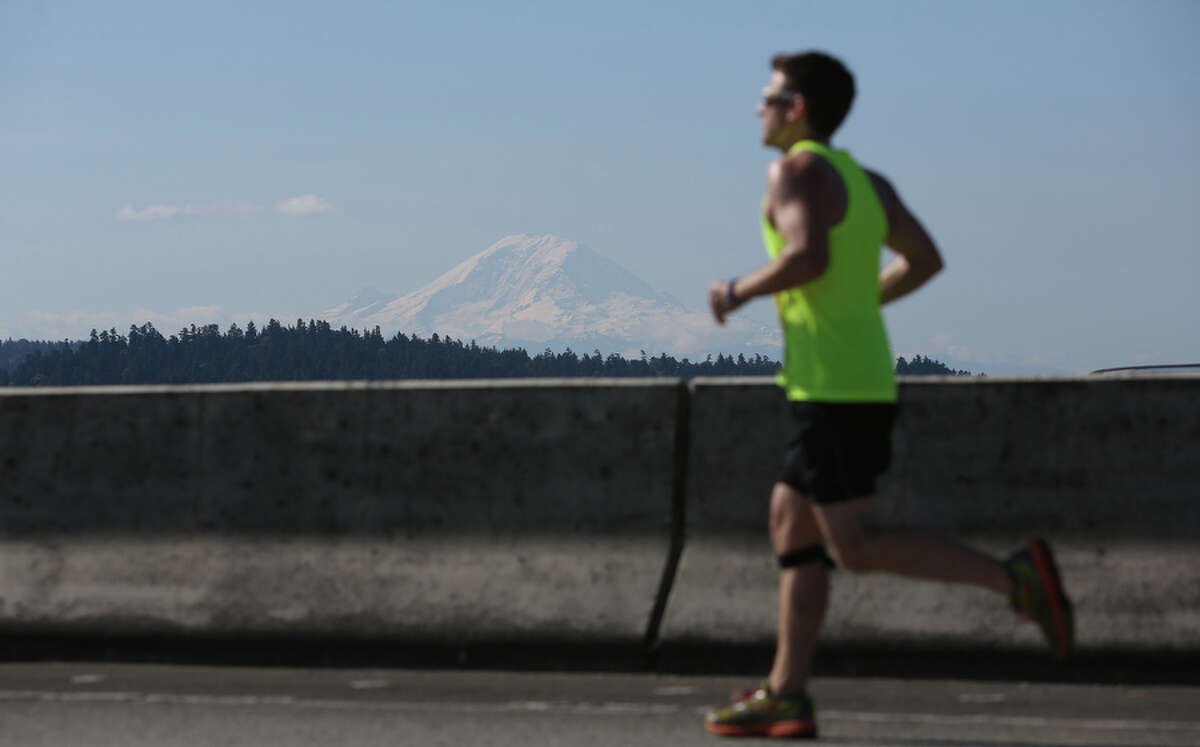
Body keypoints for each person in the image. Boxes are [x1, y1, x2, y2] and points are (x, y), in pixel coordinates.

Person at [702, 51, 1074, 739]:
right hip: (851, 377)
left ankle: (1014, 579)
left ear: (799, 108)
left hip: (834, 388)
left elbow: (807, 257)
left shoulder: (796, 170)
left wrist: (733, 291)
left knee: (855, 546)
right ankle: (787, 691)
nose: (759, 108)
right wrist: (865, 299)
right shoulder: (865, 181)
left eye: (769, 96)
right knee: (791, 519)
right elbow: (925, 258)